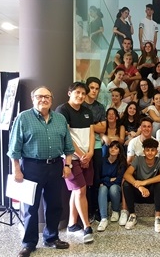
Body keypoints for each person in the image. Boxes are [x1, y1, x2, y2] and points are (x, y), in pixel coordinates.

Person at [7, 86, 74, 257]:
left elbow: (68, 147)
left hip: (55, 166)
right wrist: (17, 170)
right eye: (39, 96)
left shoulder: (59, 119)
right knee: (30, 207)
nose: (43, 99)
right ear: (33, 98)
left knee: (54, 205)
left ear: (51, 99)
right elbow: (14, 148)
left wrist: (67, 165)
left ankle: (51, 238)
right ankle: (29, 243)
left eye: (47, 97)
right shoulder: (23, 118)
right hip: (31, 167)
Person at [55, 82, 94, 244]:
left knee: (77, 191)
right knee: (80, 190)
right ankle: (86, 227)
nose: (80, 96)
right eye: (77, 92)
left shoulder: (87, 111)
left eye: (83, 93)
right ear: (69, 93)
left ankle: (71, 224)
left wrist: (90, 153)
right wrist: (80, 154)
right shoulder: (62, 110)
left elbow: (91, 133)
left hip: (86, 157)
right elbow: (67, 137)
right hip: (70, 158)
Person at [123, 138, 160, 233]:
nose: (150, 153)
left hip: (152, 193)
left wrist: (145, 182)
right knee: (126, 184)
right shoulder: (138, 159)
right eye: (147, 150)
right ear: (144, 151)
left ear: (156, 151)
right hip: (139, 193)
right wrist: (139, 186)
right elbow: (126, 174)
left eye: (152, 150)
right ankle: (132, 215)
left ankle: (158, 217)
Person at [82, 77, 106, 223]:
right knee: (84, 182)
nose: (94, 91)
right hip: (81, 148)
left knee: (95, 180)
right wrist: (94, 124)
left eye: (97, 88)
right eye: (91, 88)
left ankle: (95, 210)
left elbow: (103, 128)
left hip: (96, 147)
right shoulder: (80, 105)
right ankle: (86, 211)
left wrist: (89, 125)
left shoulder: (100, 107)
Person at [97, 141, 127, 232]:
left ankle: (115, 211)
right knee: (102, 189)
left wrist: (105, 180)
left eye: (116, 148)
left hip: (116, 189)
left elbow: (118, 180)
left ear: (119, 151)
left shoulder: (122, 163)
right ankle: (104, 218)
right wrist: (109, 180)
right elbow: (99, 177)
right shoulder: (102, 161)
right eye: (111, 147)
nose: (113, 149)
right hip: (104, 188)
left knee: (113, 188)